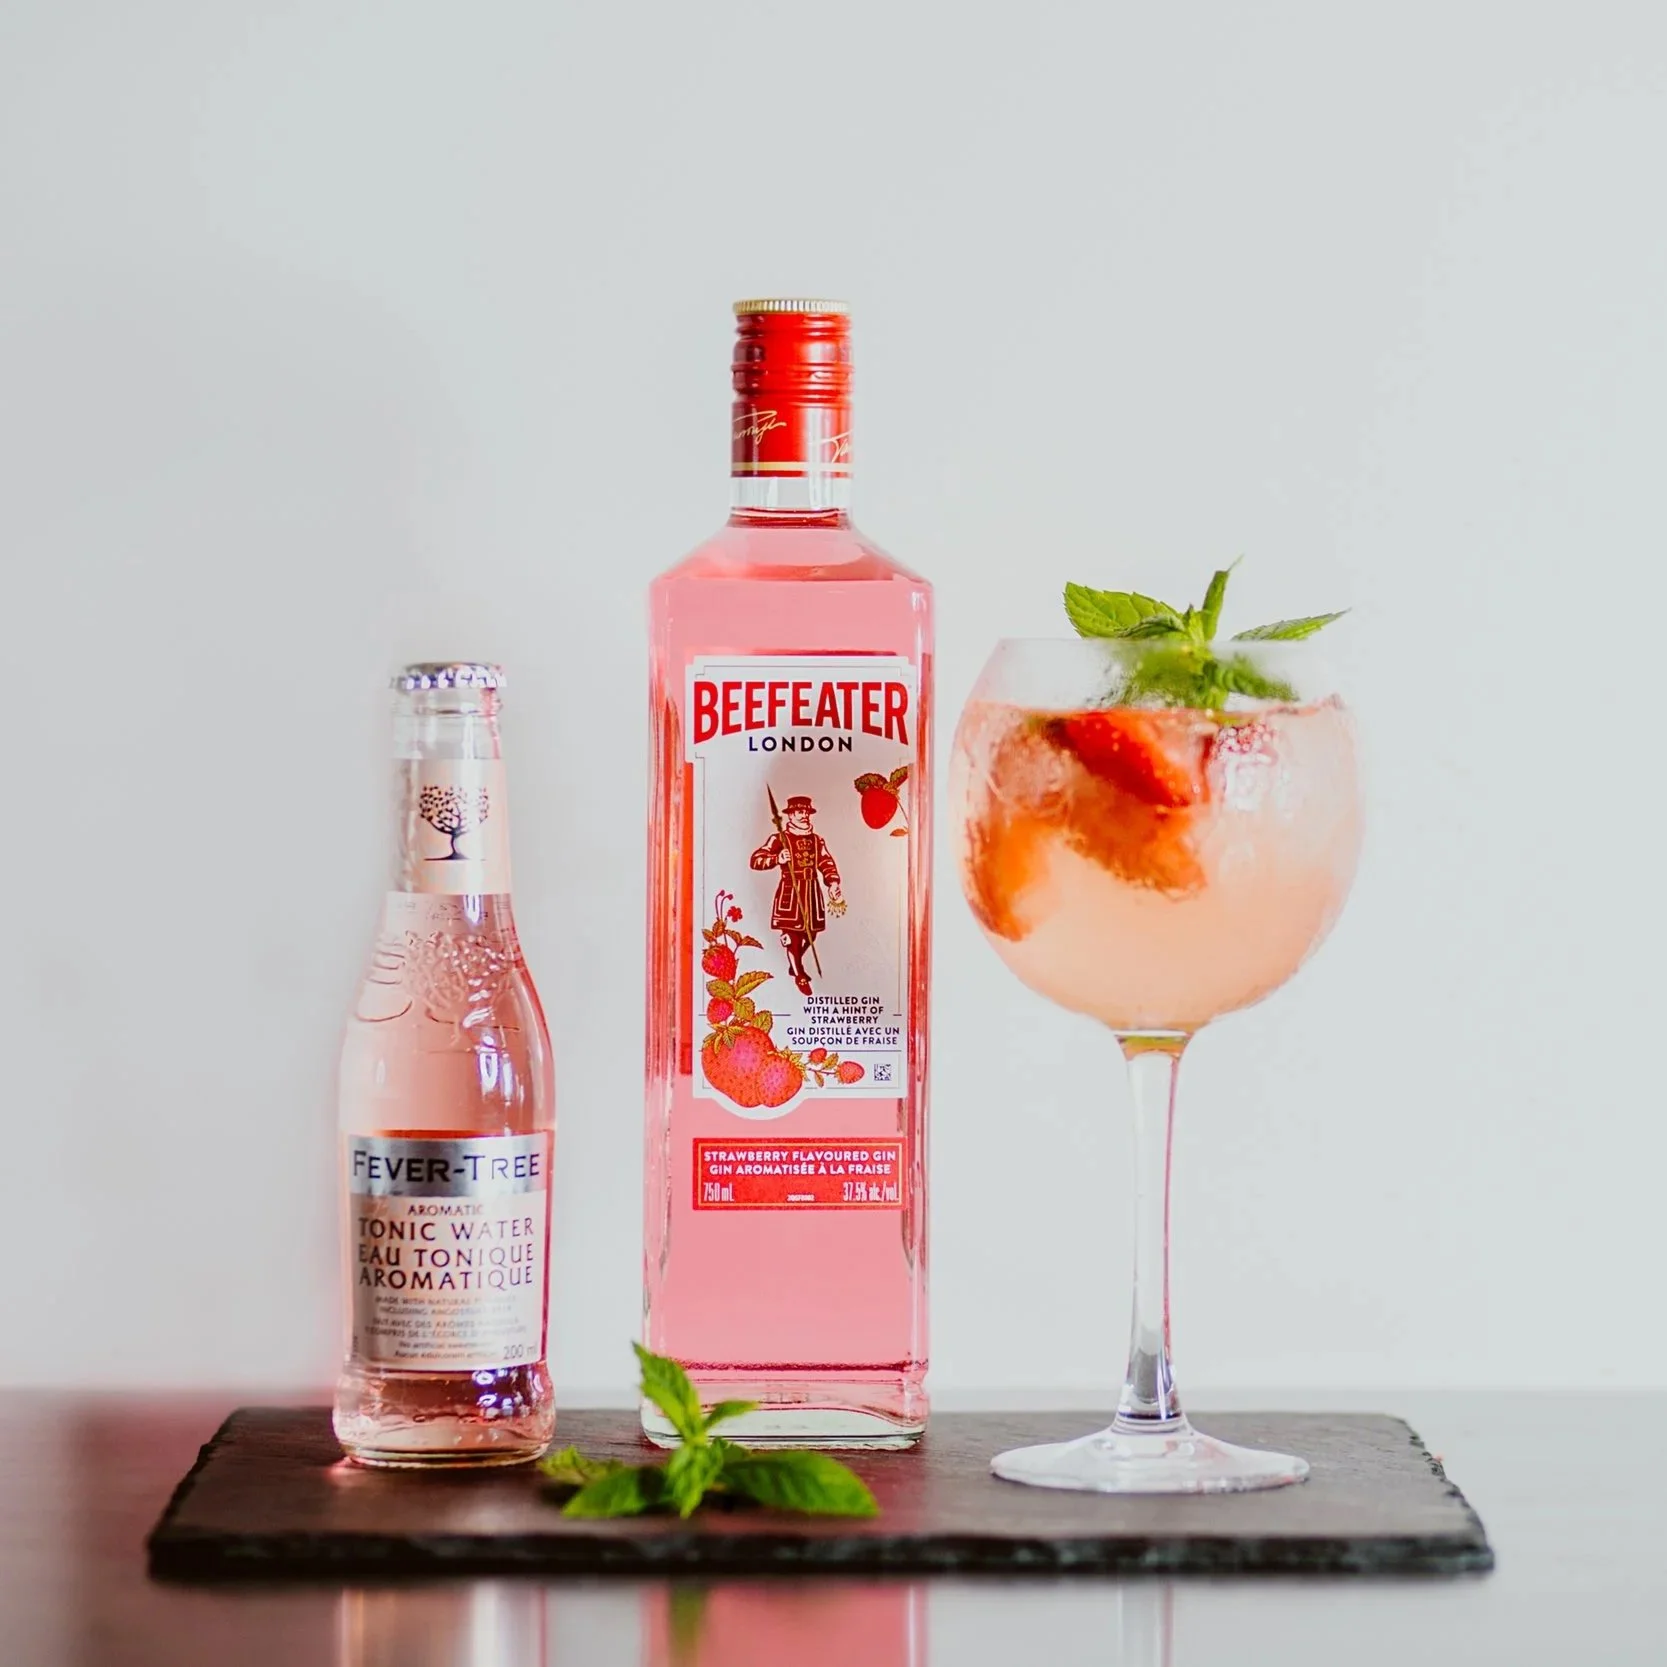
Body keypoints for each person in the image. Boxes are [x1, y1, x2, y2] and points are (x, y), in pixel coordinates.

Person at [750, 794, 842, 996]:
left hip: (812, 892)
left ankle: (795, 962)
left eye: (806, 812)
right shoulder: (779, 838)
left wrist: (833, 882)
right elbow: (756, 859)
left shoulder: (817, 840)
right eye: (799, 812)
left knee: (812, 933)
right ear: (790, 815)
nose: (804, 815)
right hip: (790, 892)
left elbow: (826, 862)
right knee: (792, 936)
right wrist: (777, 858)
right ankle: (800, 975)